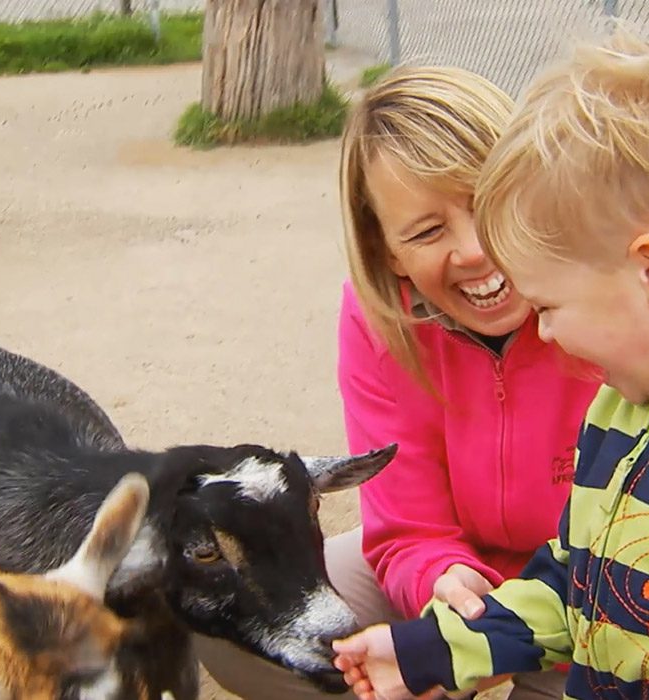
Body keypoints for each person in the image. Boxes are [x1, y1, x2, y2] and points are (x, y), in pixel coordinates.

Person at [332, 29, 649, 700]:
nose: (545, 332)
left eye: (550, 305)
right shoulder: (622, 412)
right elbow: (571, 580)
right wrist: (428, 652)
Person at [195, 66, 600, 700]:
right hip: (466, 576)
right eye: (427, 231)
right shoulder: (378, 318)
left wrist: (497, 639)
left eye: (491, 203)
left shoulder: (607, 295)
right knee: (239, 621)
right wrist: (445, 583)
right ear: (387, 251)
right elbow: (407, 525)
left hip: (598, 584)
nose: (475, 250)